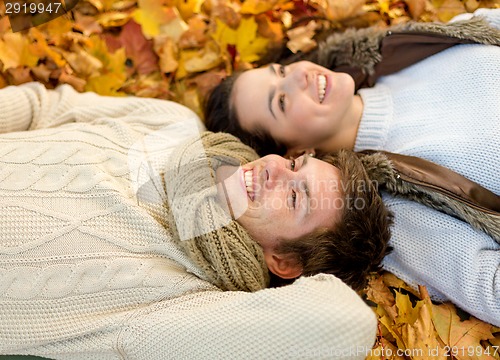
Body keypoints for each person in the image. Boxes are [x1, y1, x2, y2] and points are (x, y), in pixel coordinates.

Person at [0, 82, 392, 358]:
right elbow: (44, 107)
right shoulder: (177, 125)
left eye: (294, 197)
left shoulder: (186, 306)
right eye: (294, 163)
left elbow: (344, 322)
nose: (274, 170)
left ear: (285, 262)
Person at [204, 8, 500, 326]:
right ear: (297, 150)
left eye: (279, 71)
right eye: (281, 102)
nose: (297, 77)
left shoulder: (397, 50)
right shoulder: (395, 206)